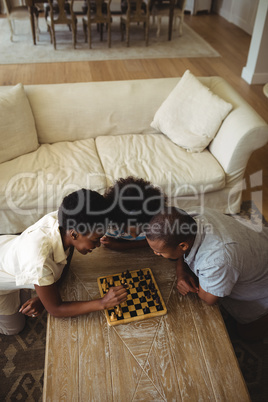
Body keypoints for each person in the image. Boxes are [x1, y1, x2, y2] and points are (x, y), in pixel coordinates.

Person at [0, 189, 127, 335]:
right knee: (15, 328)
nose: (98, 245)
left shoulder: (66, 221)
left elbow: (66, 259)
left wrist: (43, 299)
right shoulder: (39, 261)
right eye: (94, 240)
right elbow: (56, 309)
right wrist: (103, 302)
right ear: (74, 234)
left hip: (9, 253)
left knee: (28, 297)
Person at [144, 206, 268, 341]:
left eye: (159, 252)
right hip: (256, 243)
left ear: (183, 246)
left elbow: (208, 298)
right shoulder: (191, 216)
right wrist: (181, 272)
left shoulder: (216, 260)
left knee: (247, 335)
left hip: (261, 287)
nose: (155, 254)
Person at [101, 176, 167, 251]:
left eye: (142, 230)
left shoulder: (155, 224)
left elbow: (156, 241)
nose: (135, 236)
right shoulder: (110, 228)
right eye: (129, 231)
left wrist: (121, 246)